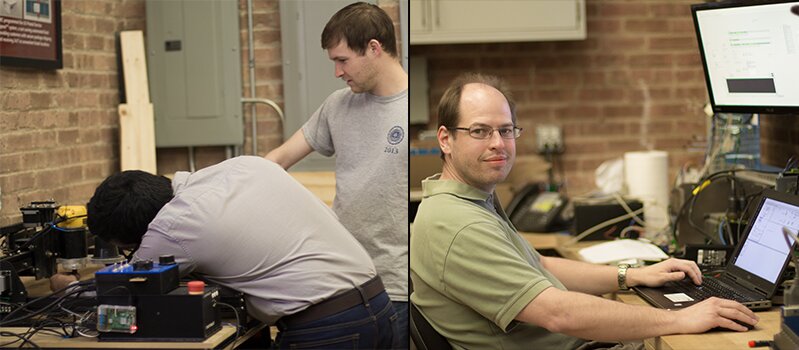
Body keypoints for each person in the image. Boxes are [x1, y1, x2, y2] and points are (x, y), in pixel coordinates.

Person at [409, 73, 759, 349]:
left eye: (506, 130)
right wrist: (680, 320)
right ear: (445, 139)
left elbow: (539, 265)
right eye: (480, 131)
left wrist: (632, 276)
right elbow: (558, 313)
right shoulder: (457, 224)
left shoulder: (469, 201)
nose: (498, 143)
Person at [51, 156, 400, 349]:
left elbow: (120, 296)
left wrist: (64, 287)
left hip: (329, 331)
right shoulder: (241, 166)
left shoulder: (170, 227)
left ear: (137, 235)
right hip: (381, 308)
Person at [265, 2, 409, 344]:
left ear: (374, 48)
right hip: (343, 285)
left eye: (342, 60)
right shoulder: (337, 105)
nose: (337, 72)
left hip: (399, 288)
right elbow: (280, 157)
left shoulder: (409, 110)